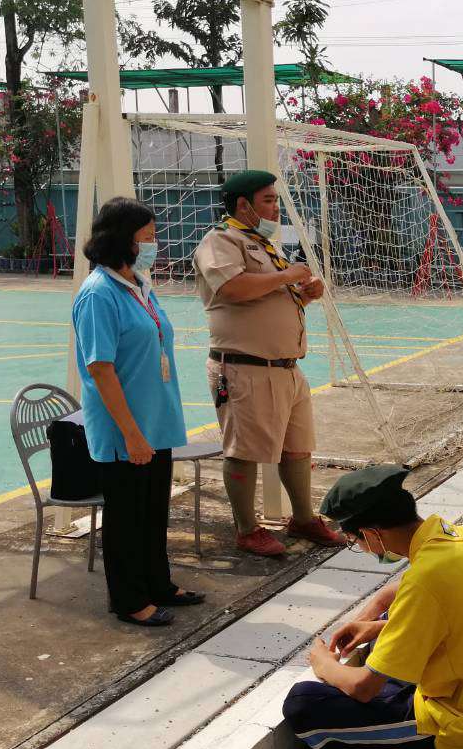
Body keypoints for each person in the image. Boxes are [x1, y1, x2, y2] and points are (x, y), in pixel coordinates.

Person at [284, 466, 463, 749]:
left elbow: (363, 688)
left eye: (356, 542)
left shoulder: (425, 579)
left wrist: (324, 664)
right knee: (389, 625)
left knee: (303, 702)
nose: (363, 549)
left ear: (372, 534)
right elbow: (455, 615)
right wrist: (377, 626)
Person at [193, 169, 345, 557]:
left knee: (298, 447)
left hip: (285, 368)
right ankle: (247, 529)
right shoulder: (221, 241)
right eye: (268, 200)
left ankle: (303, 518)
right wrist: (287, 276)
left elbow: (271, 297)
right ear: (243, 205)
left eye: (275, 200)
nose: (276, 207)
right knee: (243, 451)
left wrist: (306, 293)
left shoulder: (260, 243)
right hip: (245, 367)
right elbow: (233, 288)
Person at [72, 197, 203, 627]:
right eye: (148, 236)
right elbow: (100, 368)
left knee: (152, 511)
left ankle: (158, 584)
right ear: (123, 239)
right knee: (127, 517)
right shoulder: (98, 294)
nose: (154, 243)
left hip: (155, 422)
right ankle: (129, 599)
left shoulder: (138, 285)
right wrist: (131, 433)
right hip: (126, 429)